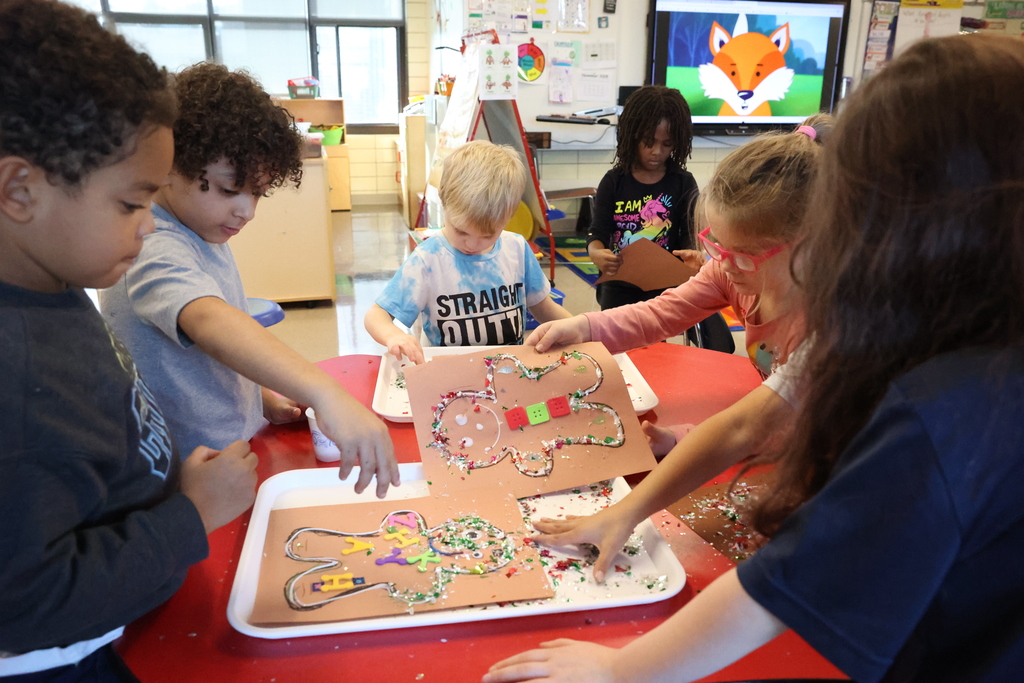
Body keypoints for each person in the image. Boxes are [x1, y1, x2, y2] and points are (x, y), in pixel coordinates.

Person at [484, 34, 1024, 683]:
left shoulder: (943, 406)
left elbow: (791, 578)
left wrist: (623, 673)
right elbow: (745, 422)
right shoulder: (958, 344)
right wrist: (628, 509)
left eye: (854, 204)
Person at [0, 1, 257, 679]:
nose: (147, 229)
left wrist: (177, 488)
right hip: (74, 661)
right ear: (20, 189)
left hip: (144, 590)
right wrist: (192, 514)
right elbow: (28, 598)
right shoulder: (15, 376)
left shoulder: (55, 281)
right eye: (130, 204)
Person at [100, 63, 399, 498]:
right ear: (167, 164)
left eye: (257, 193)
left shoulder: (201, 226)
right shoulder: (151, 245)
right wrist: (325, 392)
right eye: (228, 190)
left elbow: (209, 355)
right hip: (191, 478)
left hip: (240, 448)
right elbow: (210, 321)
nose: (248, 211)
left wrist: (259, 398)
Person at [529, 114, 831, 455]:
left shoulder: (825, 325)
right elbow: (659, 315)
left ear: (807, 246)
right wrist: (583, 327)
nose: (724, 264)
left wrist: (684, 437)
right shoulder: (728, 270)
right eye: (716, 243)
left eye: (744, 255)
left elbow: (790, 431)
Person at [365, 140, 571, 364]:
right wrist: (394, 335)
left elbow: (543, 308)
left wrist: (584, 330)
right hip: (448, 376)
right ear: (443, 200)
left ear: (509, 216)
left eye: (487, 235)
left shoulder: (517, 249)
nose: (472, 245)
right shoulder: (427, 260)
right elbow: (376, 315)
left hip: (508, 371)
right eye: (461, 231)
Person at [587, 85, 704, 311]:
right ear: (632, 136)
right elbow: (597, 230)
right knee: (614, 339)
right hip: (618, 284)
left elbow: (689, 233)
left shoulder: (683, 182)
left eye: (666, 144)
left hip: (663, 286)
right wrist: (596, 253)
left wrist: (692, 253)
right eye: (648, 142)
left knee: (655, 343)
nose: (656, 151)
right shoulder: (614, 181)